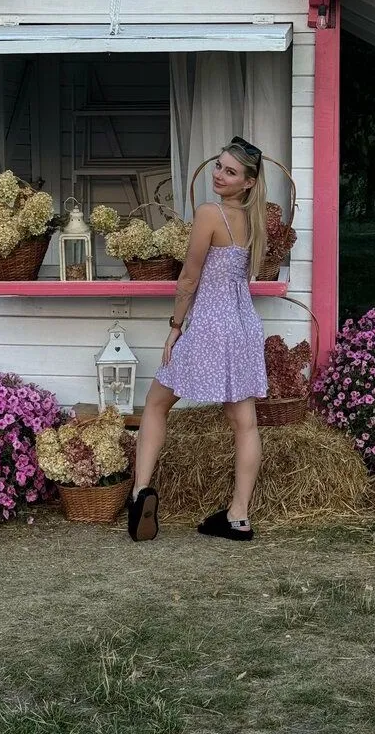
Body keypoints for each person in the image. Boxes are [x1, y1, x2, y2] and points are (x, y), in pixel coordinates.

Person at [127, 135, 268, 542]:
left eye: (230, 171)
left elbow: (189, 277)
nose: (219, 175)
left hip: (210, 325)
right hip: (243, 326)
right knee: (245, 423)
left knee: (156, 403)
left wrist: (175, 327)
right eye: (219, 166)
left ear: (248, 182)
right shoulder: (255, 221)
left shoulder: (210, 213)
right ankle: (238, 517)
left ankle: (140, 493)